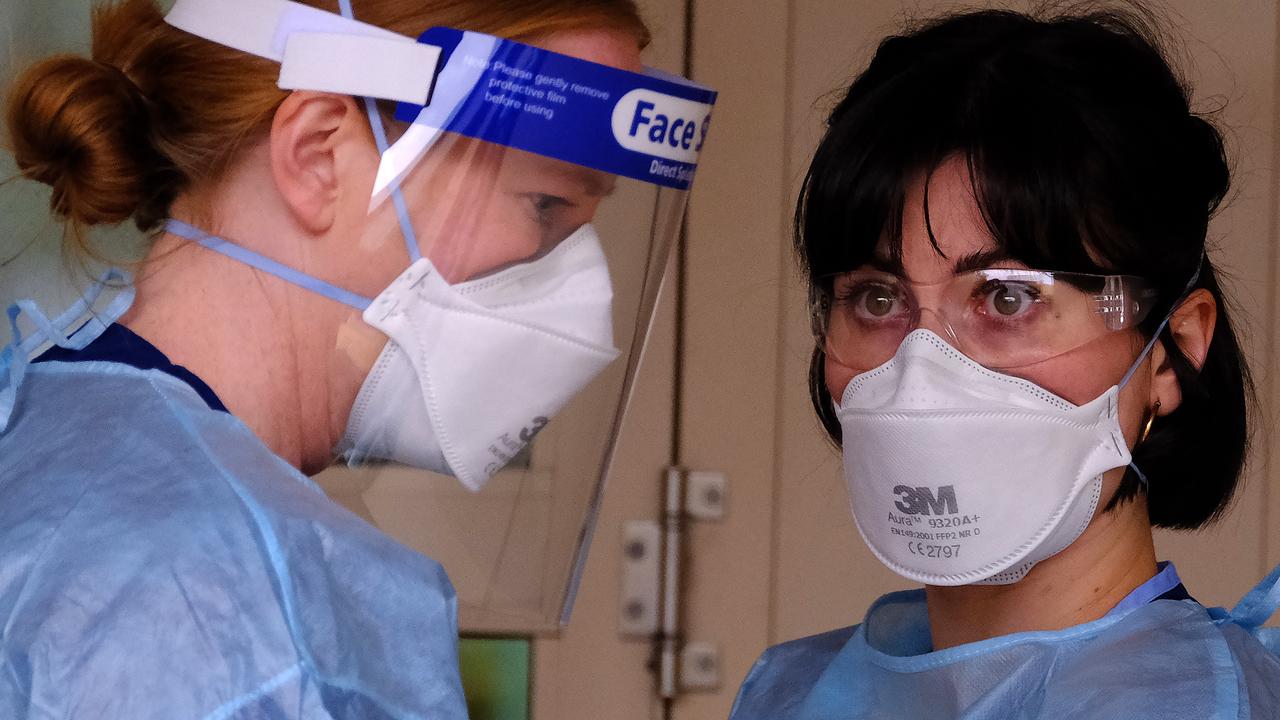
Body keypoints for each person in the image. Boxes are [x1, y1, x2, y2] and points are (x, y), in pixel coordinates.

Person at [0, 0, 714, 716]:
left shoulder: (47, 439)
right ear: (318, 156)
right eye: (545, 206)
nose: (576, 284)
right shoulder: (212, 595)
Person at [731, 7, 1280, 719]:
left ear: (1174, 352)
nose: (921, 372)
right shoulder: (793, 693)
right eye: (874, 298)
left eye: (1009, 295)